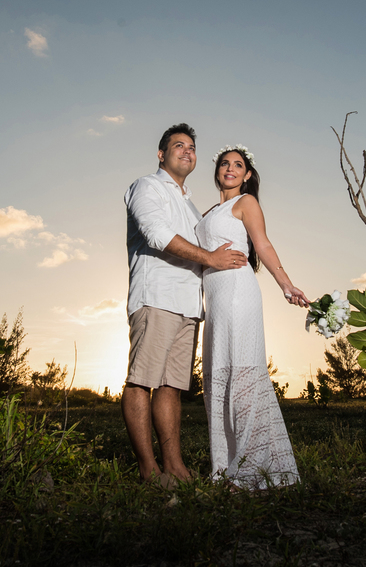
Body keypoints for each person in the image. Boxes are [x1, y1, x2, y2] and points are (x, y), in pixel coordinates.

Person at [123, 123, 245, 486]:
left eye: (192, 147)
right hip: (156, 297)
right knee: (141, 382)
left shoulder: (191, 207)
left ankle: (174, 466)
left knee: (171, 387)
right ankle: (149, 470)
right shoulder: (146, 187)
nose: (187, 151)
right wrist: (210, 257)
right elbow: (156, 234)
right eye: (178, 145)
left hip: (189, 305)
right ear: (161, 154)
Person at [197, 145, 309, 489]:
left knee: (242, 376)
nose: (230, 168)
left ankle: (250, 469)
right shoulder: (208, 212)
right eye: (225, 163)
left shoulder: (245, 203)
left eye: (238, 165)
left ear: (247, 175)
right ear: (217, 170)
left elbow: (263, 245)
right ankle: (224, 467)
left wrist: (286, 285)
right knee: (217, 378)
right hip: (214, 303)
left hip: (236, 295)